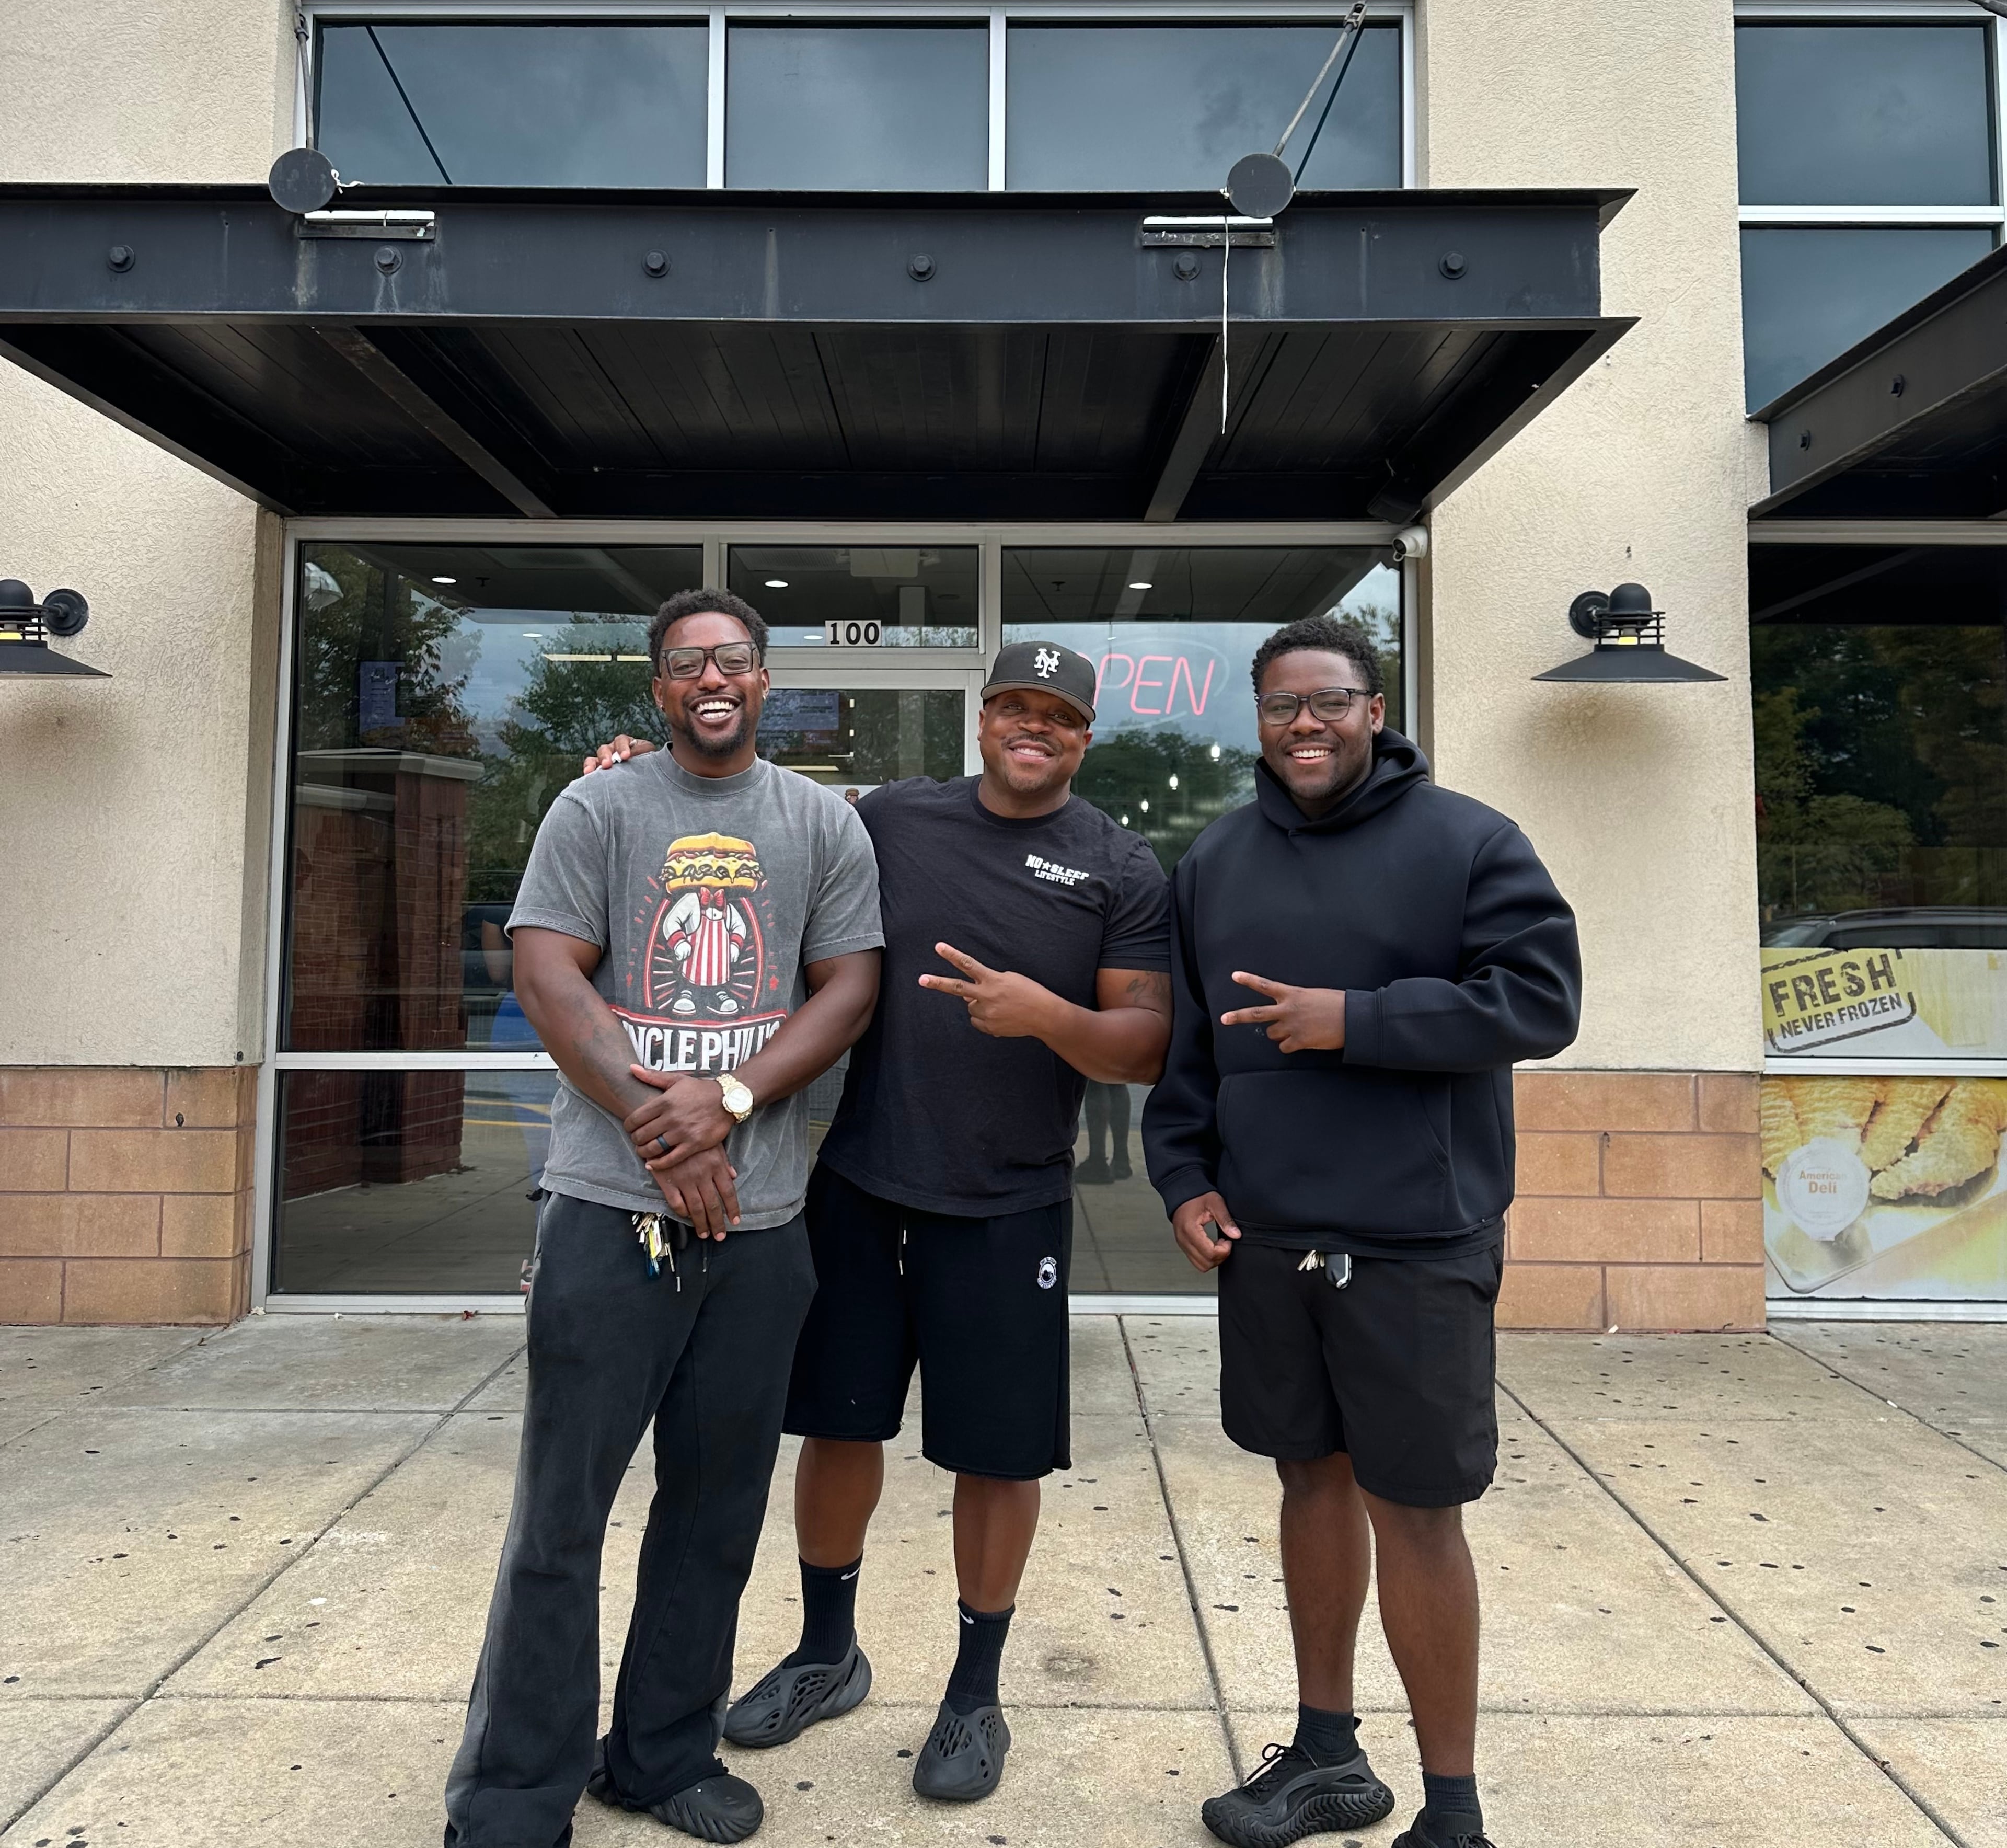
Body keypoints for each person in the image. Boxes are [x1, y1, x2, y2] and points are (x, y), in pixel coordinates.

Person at [590, 638, 1171, 1803]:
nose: (1033, 726)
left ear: (1084, 735)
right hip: (862, 1185)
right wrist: (643, 771)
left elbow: (1144, 1047)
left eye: (1058, 714)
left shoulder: (1120, 863)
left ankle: (974, 1693)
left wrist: (1046, 1015)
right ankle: (827, 1652)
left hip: (1009, 1202)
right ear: (983, 718)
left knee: (997, 1455)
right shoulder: (894, 818)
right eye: (1014, 705)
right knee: (837, 1429)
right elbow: (759, 824)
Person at [444, 588, 883, 1848]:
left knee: (714, 1509)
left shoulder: (821, 821)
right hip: (605, 1213)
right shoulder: (598, 808)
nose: (712, 679)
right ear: (657, 688)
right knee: (560, 1518)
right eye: (687, 663)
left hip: (763, 1223)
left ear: (764, 678)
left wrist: (729, 1100)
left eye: (733, 659)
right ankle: (514, 1793)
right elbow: (548, 972)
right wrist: (660, 1124)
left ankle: (660, 1754)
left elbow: (849, 986)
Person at [1143, 615, 1581, 1848]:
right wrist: (1183, 1177)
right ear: (1260, 718)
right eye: (1283, 704)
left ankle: (1454, 1813)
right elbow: (1189, 1052)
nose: (1307, 723)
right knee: (1307, 1479)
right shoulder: (1216, 860)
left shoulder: (1469, 841)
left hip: (1414, 1243)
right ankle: (1327, 1756)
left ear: (1374, 710)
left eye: (1329, 700)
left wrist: (1360, 1020)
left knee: (1419, 1510)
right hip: (1270, 1240)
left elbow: (1541, 1000)